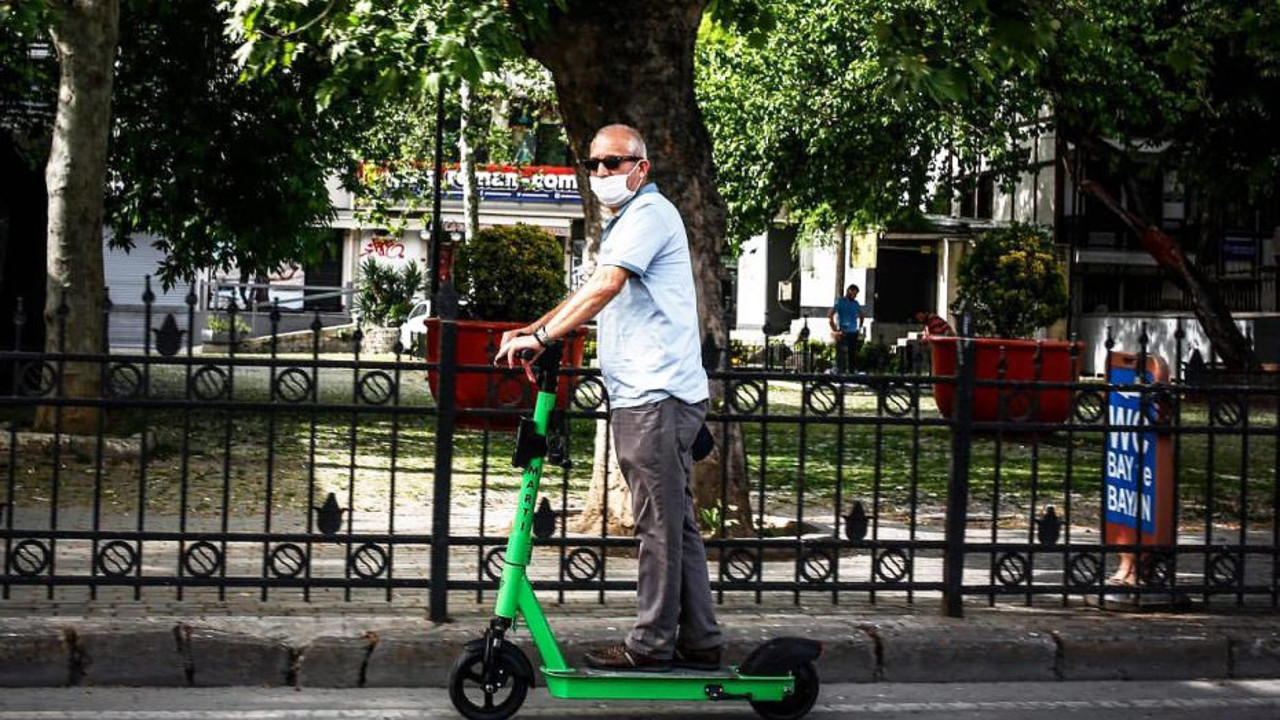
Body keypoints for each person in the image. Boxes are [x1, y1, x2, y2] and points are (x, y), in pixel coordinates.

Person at [495, 124, 722, 672]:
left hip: (657, 397)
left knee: (658, 525)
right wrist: (533, 328)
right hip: (651, 395)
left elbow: (607, 286)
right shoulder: (629, 221)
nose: (602, 173)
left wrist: (544, 339)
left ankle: (650, 645)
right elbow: (590, 286)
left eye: (614, 163)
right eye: (594, 163)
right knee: (676, 523)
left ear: (641, 168)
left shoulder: (648, 215)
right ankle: (701, 640)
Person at [827, 284, 863, 374]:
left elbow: (862, 316)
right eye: (854, 293)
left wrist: (859, 328)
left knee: (852, 354)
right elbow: (830, 314)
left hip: (853, 332)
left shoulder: (855, 303)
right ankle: (840, 371)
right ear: (849, 291)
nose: (855, 296)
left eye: (856, 294)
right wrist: (835, 329)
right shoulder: (840, 302)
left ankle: (851, 371)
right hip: (843, 332)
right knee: (841, 354)